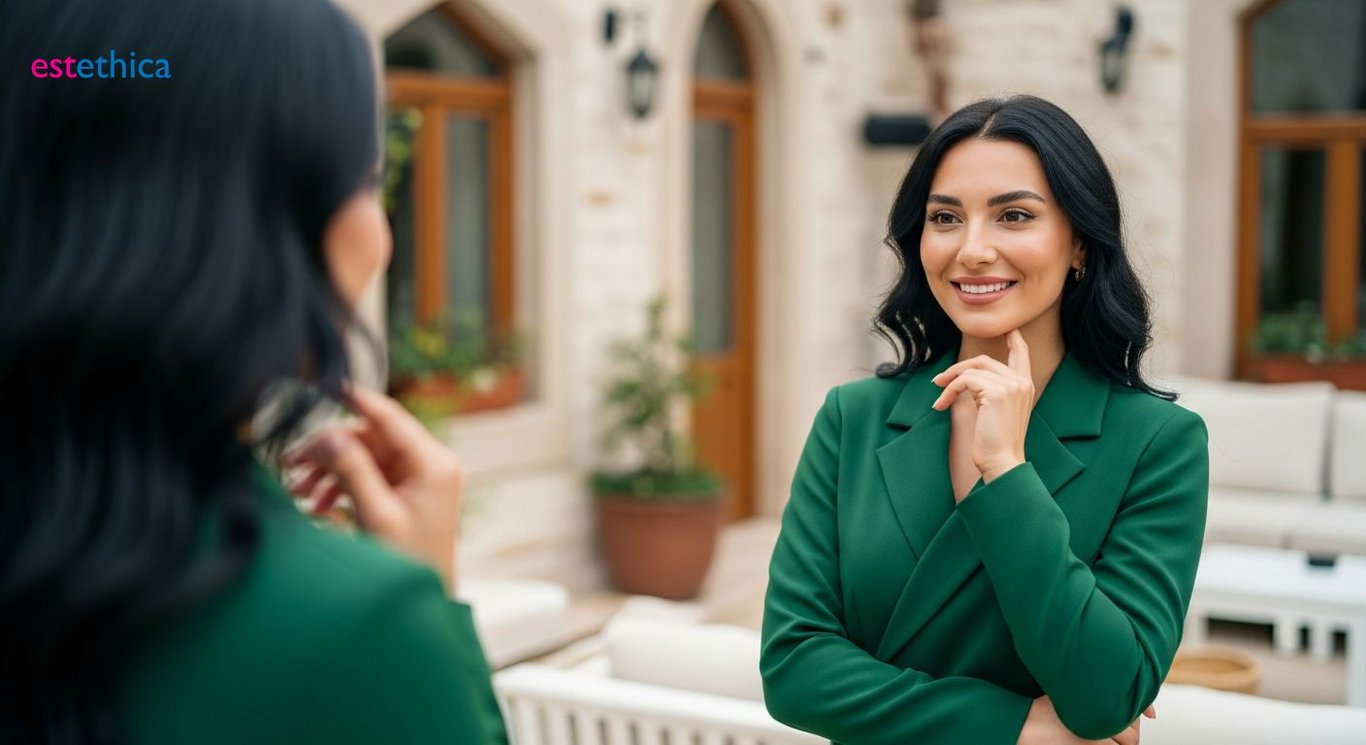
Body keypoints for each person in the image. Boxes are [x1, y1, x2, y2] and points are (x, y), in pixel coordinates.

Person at [0, 1, 507, 743]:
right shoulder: (356, 632)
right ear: (242, 228)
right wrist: (427, 604)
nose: (382, 234)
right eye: (365, 182)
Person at [760, 95, 1208, 745]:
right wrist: (1018, 724)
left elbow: (1106, 695)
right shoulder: (851, 420)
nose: (972, 249)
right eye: (946, 217)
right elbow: (793, 667)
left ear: (1080, 241)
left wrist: (1007, 474)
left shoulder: (1159, 444)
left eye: (1014, 215)